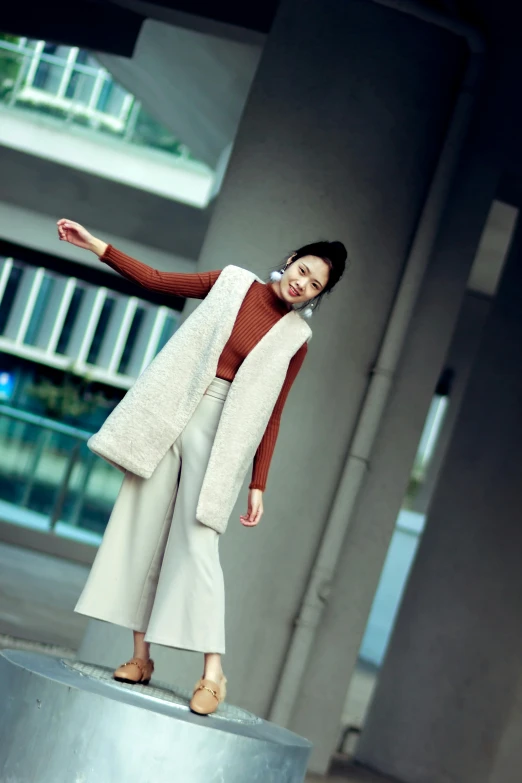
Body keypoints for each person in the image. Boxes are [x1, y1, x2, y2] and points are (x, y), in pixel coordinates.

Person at [56, 218, 347, 715]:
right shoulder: (231, 281)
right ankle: (140, 658)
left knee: (198, 546)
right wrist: (97, 245)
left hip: (223, 434)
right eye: (302, 271)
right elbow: (157, 281)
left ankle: (214, 673)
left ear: (316, 297)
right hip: (174, 412)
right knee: (144, 530)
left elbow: (274, 410)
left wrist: (259, 482)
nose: (301, 284)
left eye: (314, 286)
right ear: (291, 259)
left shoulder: (297, 337)